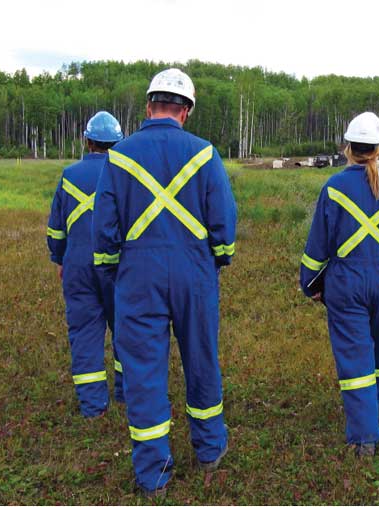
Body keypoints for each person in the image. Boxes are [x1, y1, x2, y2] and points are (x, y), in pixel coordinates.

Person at [92, 68, 237, 495]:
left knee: (143, 372)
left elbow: (105, 231)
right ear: (186, 110)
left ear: (149, 105)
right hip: (194, 274)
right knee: (201, 360)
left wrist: (113, 271)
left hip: (137, 277)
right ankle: (210, 450)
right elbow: (223, 224)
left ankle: (153, 474)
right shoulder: (205, 154)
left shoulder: (118, 156)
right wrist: (218, 260)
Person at [300, 112, 379, 456]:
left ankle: (364, 435)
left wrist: (310, 284)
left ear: (348, 147)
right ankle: (374, 402)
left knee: (354, 357)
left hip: (346, 283)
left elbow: (318, 245)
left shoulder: (334, 187)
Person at [46, 111, 124, 419]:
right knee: (126, 332)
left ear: (87, 141)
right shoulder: (124, 174)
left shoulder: (69, 175)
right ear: (117, 143)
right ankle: (125, 393)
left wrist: (60, 257)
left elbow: (56, 229)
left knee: (85, 334)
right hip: (118, 267)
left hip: (77, 266)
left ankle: (93, 408)